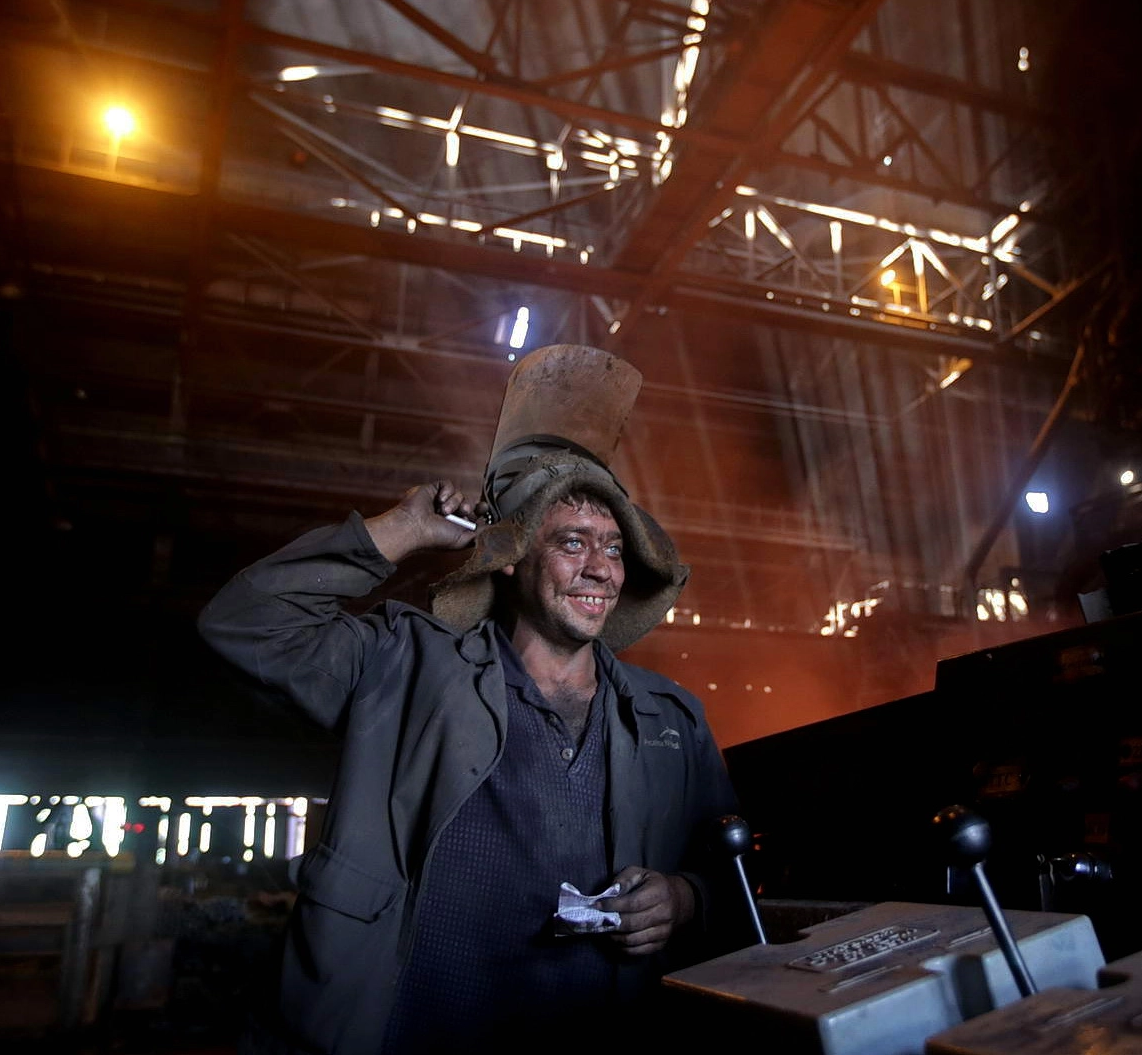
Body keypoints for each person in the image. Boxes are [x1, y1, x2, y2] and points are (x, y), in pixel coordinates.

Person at [197, 347, 745, 1055]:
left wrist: (684, 897)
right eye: (572, 541)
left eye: (612, 547)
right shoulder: (408, 666)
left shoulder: (671, 719)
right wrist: (402, 528)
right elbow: (244, 620)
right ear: (513, 556)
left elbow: (737, 876)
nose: (600, 567)